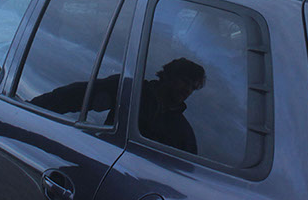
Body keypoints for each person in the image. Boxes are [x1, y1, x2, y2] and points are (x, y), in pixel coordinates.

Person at [31, 57, 206, 153]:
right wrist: (30, 108)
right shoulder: (129, 91)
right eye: (184, 81)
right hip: (104, 163)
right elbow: (71, 96)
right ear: (168, 76)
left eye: (193, 87)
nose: (187, 90)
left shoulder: (184, 133)